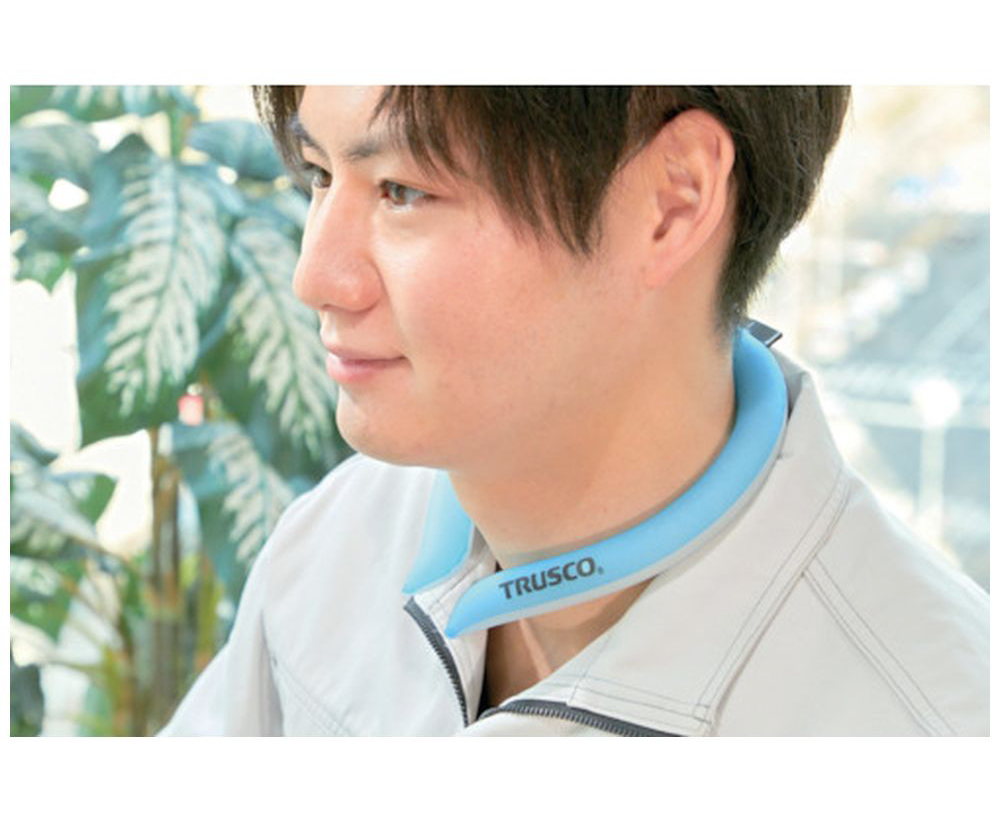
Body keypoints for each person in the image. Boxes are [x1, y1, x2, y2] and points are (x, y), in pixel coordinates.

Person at [159, 86, 988, 737]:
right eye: (318, 174)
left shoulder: (929, 724)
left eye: (402, 190)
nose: (315, 277)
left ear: (673, 200)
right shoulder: (338, 539)